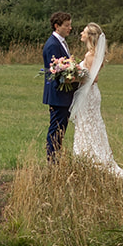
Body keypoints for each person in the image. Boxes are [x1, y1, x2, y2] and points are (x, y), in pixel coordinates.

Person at [70, 22, 123, 176]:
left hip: (89, 94)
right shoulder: (94, 53)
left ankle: (90, 160)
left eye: (84, 31)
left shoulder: (91, 55)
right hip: (91, 94)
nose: (81, 33)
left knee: (86, 125)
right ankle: (92, 157)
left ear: (90, 36)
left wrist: (73, 77)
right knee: (91, 124)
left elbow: (93, 78)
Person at [42, 11, 76, 161]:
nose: (70, 28)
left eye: (70, 25)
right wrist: (75, 78)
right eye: (66, 25)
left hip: (64, 95)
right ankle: (52, 161)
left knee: (61, 129)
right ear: (57, 26)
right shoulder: (52, 45)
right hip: (58, 94)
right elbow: (55, 71)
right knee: (56, 129)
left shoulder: (61, 42)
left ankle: (56, 158)